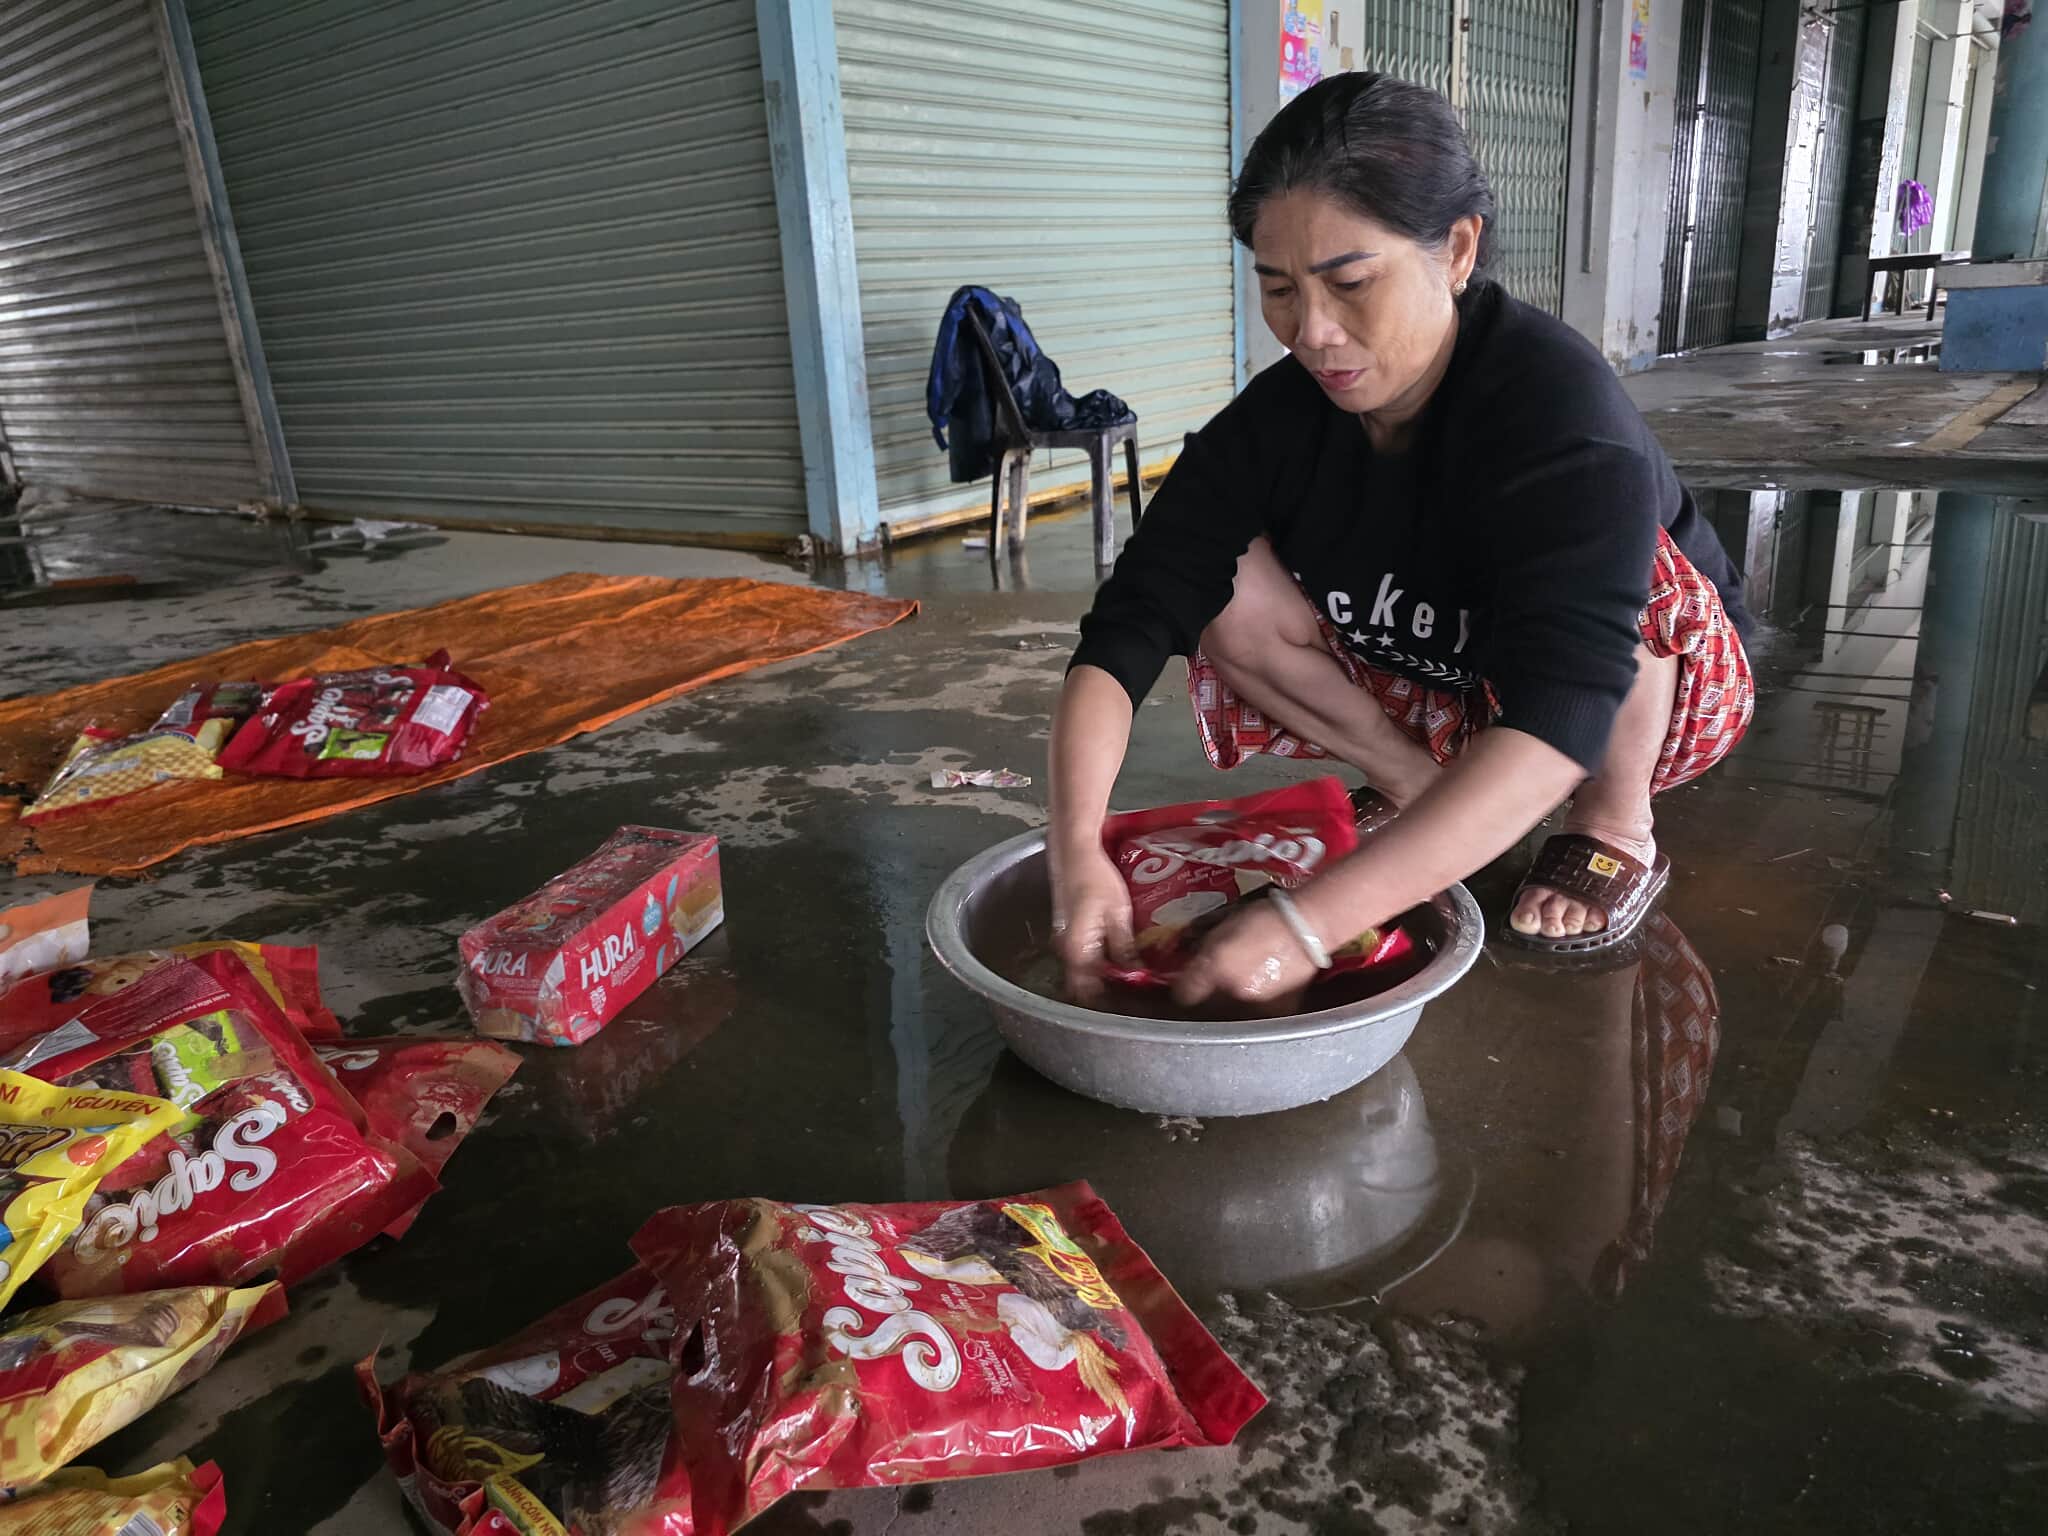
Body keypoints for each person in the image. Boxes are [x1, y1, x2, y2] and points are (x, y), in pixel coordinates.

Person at [1048, 72, 1755, 1007]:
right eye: (1278, 289)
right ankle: (1424, 789)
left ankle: (1614, 825)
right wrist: (1077, 854)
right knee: (1219, 588)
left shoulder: (1557, 411)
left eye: (1349, 283)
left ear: (1457, 250)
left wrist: (1307, 923)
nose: (1313, 332)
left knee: (1640, 574)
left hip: (1628, 702)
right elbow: (1131, 621)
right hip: (1442, 680)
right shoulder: (1280, 420)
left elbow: (1564, 710)